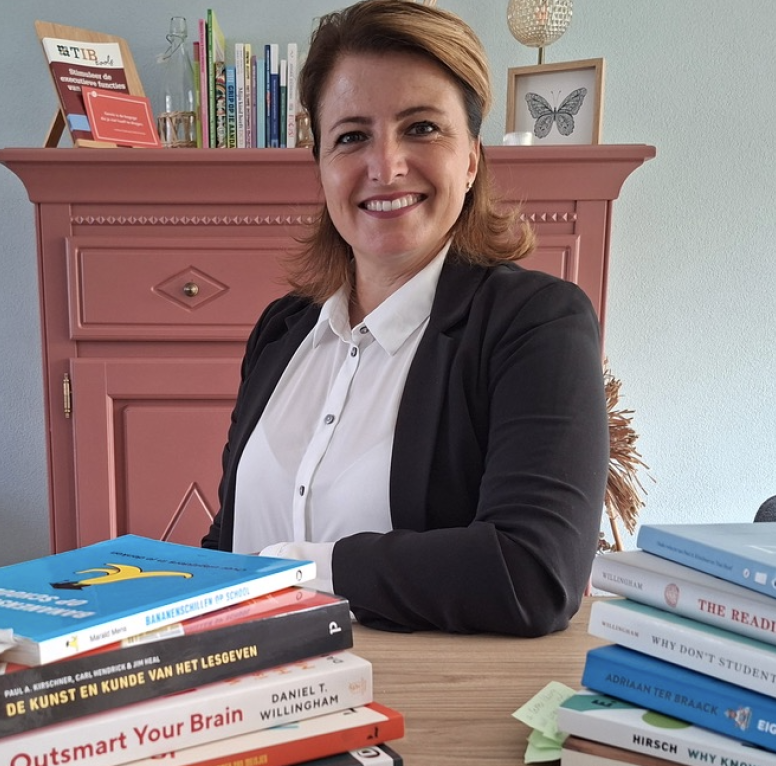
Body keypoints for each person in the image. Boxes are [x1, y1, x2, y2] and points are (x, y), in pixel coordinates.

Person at [201, 0, 608, 637]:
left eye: (421, 128)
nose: (385, 165)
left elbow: (533, 574)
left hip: (410, 690)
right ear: (321, 166)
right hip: (236, 682)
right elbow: (227, 541)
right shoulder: (281, 330)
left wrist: (299, 570)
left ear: (470, 159)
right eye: (351, 136)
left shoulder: (536, 324)